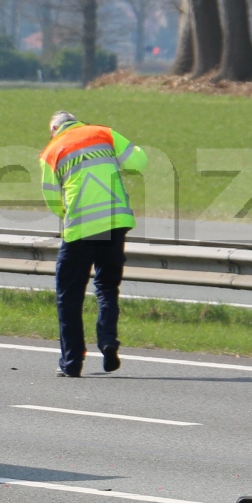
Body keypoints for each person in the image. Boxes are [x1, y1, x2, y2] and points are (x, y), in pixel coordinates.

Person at [39, 110, 146, 378]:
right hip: (115, 222)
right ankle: (108, 341)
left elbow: (52, 199)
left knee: (68, 296)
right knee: (107, 286)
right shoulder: (104, 133)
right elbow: (139, 163)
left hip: (81, 228)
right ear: (77, 121)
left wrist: (68, 216)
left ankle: (72, 363)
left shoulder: (51, 151)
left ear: (54, 128)